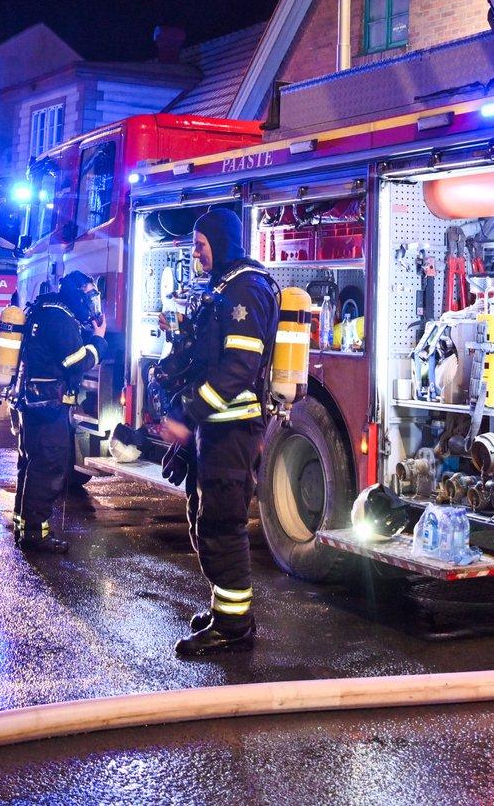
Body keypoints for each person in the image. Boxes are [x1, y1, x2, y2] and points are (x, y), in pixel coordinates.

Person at [152, 207, 276, 658]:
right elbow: (204, 354)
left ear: (220, 242)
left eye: (201, 246)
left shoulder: (246, 289)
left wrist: (188, 413)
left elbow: (238, 369)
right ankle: (225, 609)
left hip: (232, 429)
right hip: (215, 428)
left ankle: (234, 627)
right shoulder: (223, 286)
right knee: (204, 518)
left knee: (222, 523)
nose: (196, 254)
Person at [11, 270, 102, 553]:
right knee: (48, 464)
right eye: (88, 295)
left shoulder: (46, 310)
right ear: (77, 294)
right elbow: (75, 361)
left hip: (34, 402)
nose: (91, 302)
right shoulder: (59, 318)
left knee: (31, 463)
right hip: (48, 406)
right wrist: (98, 341)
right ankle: (36, 535)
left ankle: (23, 524)